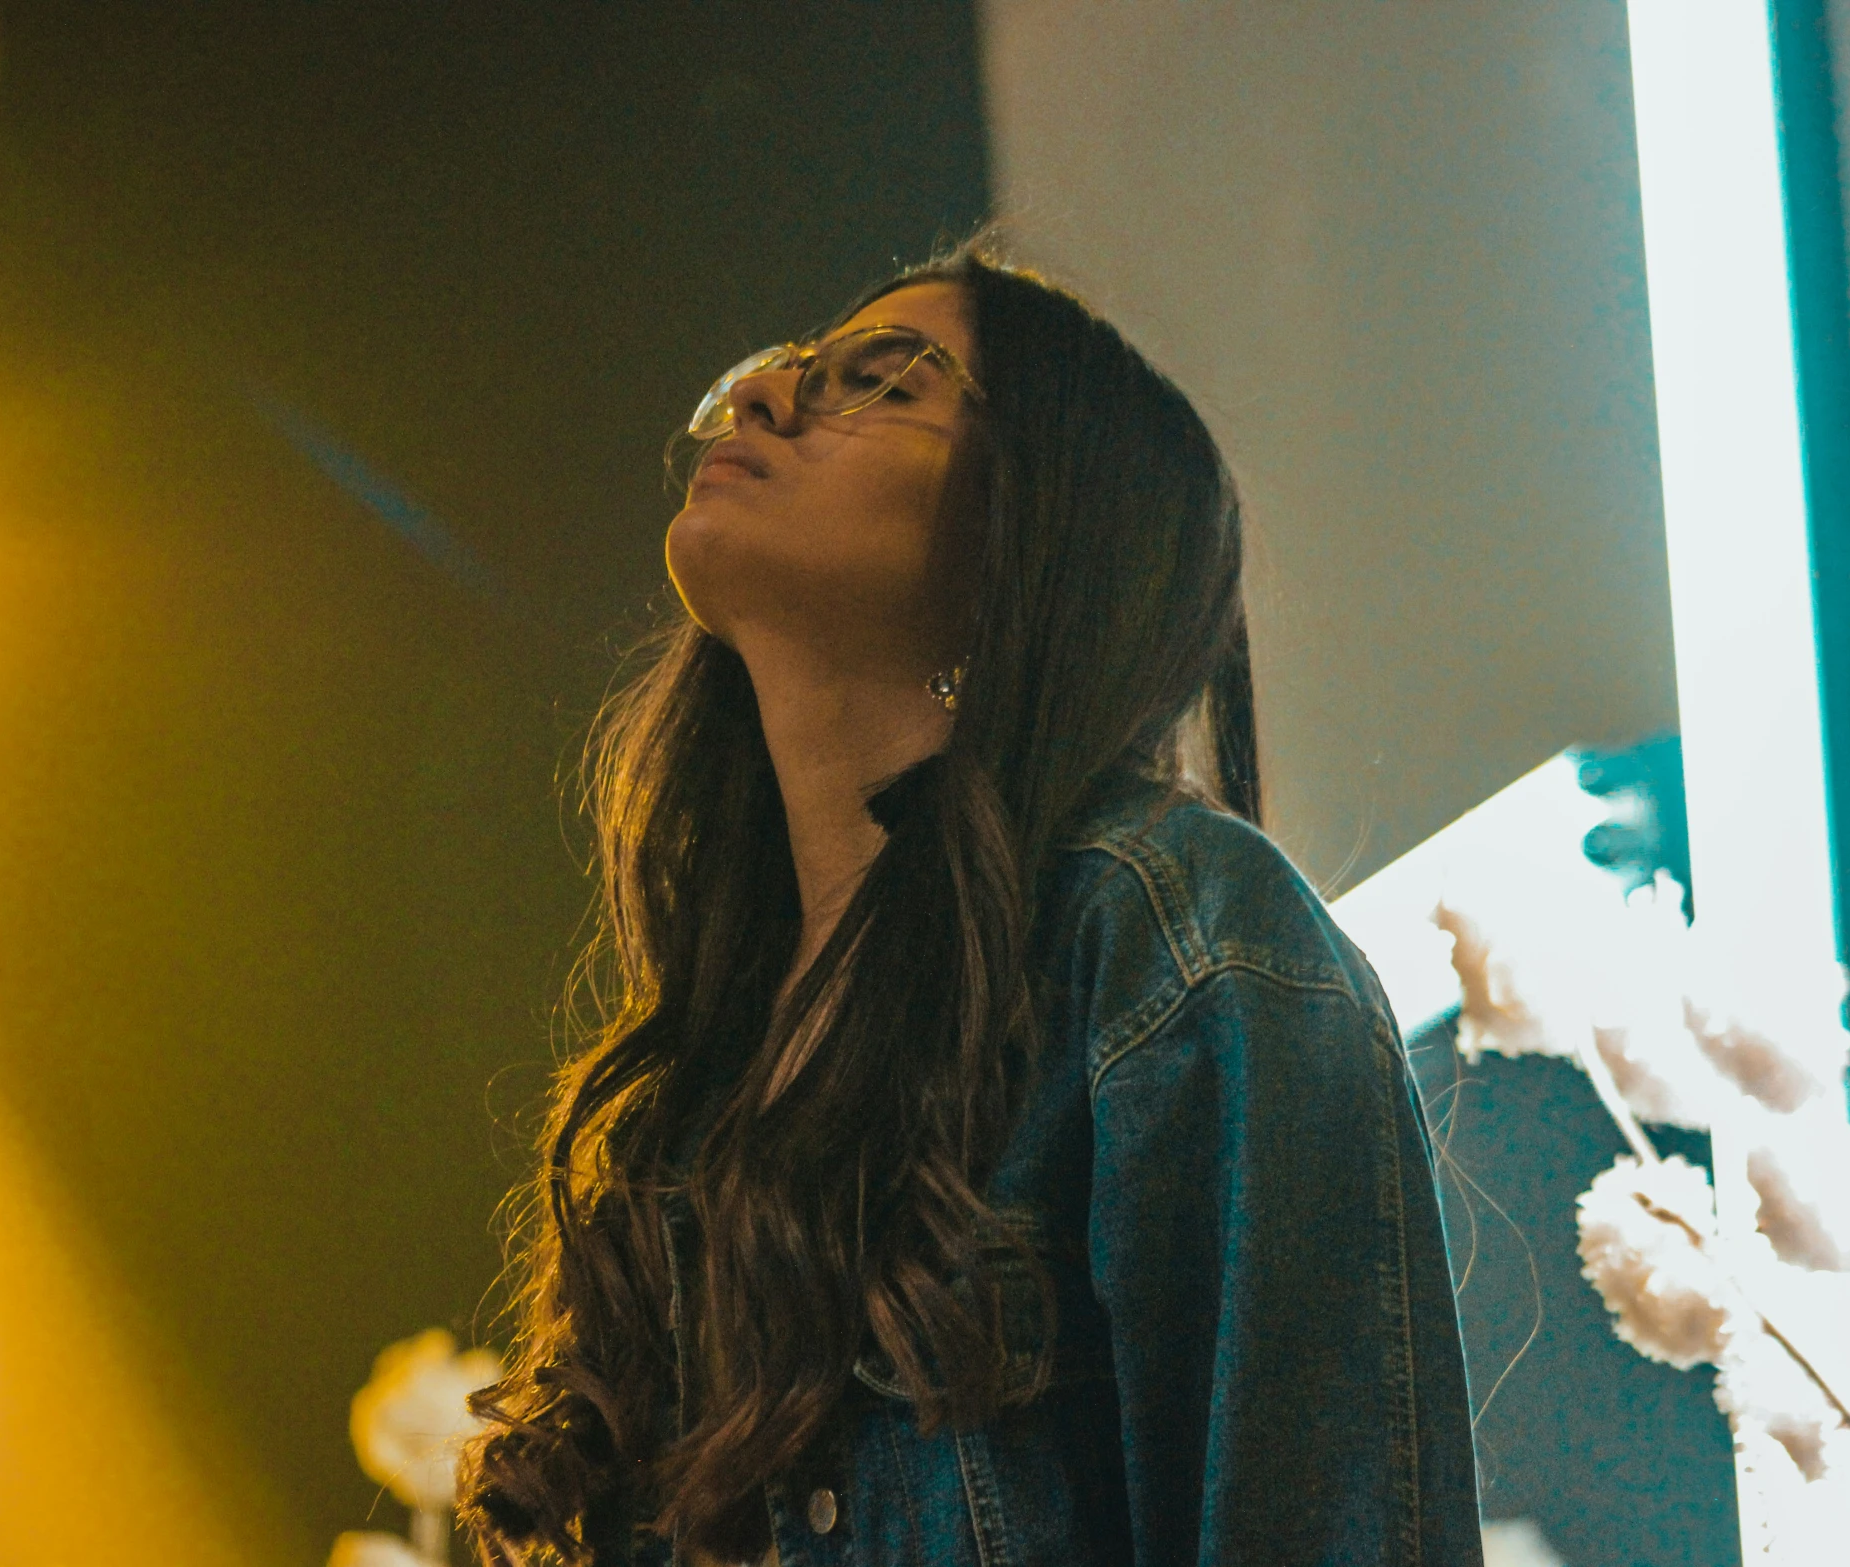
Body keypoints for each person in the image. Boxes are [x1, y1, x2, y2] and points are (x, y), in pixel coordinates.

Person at [460, 239, 1482, 1567]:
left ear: (1038, 524)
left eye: (883, 383)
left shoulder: (1167, 935)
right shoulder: (701, 1092)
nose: (764, 400)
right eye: (781, 373)